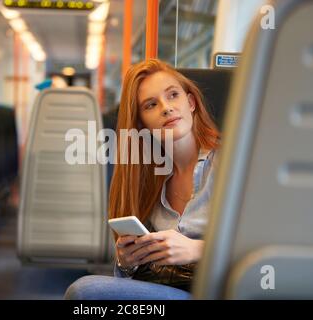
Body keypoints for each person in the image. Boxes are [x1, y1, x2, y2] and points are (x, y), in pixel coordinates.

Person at [64, 59, 220, 300]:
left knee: (85, 292)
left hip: (217, 290)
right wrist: (127, 263)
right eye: (151, 105)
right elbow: (131, 280)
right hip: (169, 289)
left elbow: (267, 244)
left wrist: (197, 249)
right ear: (141, 125)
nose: (166, 108)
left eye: (173, 95)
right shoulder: (150, 181)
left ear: (190, 103)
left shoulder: (232, 162)